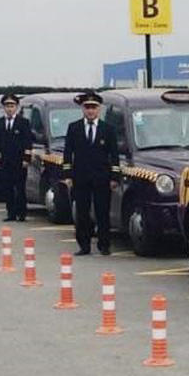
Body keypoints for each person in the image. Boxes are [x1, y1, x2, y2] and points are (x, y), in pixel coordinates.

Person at [62, 90, 119, 256]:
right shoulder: (74, 128)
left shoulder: (108, 129)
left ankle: (104, 245)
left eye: (93, 107)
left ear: (99, 109)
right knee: (82, 214)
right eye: (87, 107)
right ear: (82, 109)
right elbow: (67, 153)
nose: (90, 111)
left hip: (102, 178)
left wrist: (114, 177)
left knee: (102, 213)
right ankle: (84, 245)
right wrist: (68, 175)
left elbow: (114, 155)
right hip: (80, 178)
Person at [0, 93, 33, 221]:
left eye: (12, 105)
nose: (9, 108)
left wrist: (26, 159)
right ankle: (11, 213)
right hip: (5, 161)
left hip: (19, 161)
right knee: (8, 188)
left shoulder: (23, 122)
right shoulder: (0, 122)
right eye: (7, 106)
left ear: (16, 107)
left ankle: (21, 213)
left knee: (20, 188)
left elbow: (28, 142)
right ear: (3, 107)